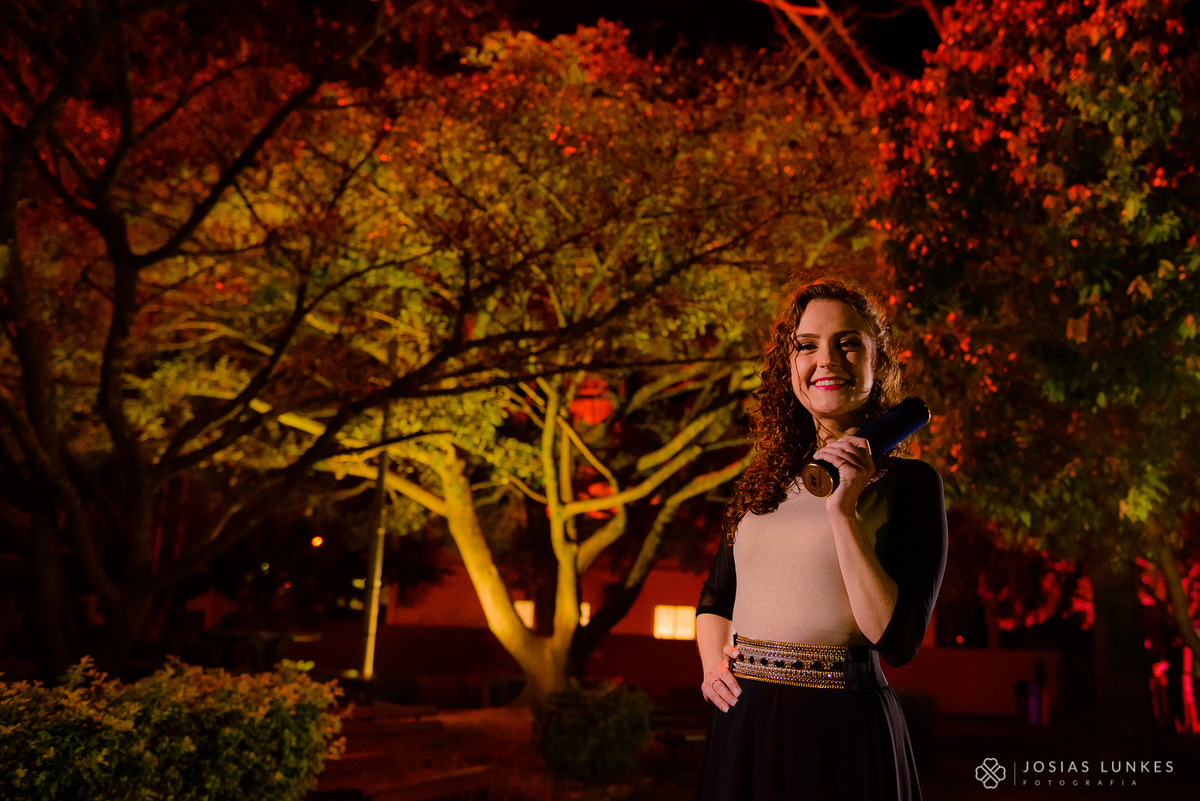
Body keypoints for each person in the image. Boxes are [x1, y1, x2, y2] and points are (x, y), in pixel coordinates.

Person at [694, 277, 948, 801]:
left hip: (840, 730)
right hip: (744, 723)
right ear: (790, 367)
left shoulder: (911, 485)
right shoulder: (763, 482)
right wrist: (712, 665)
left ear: (878, 362)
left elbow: (897, 641)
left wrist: (843, 511)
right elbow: (717, 596)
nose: (826, 360)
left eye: (847, 343)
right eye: (807, 345)